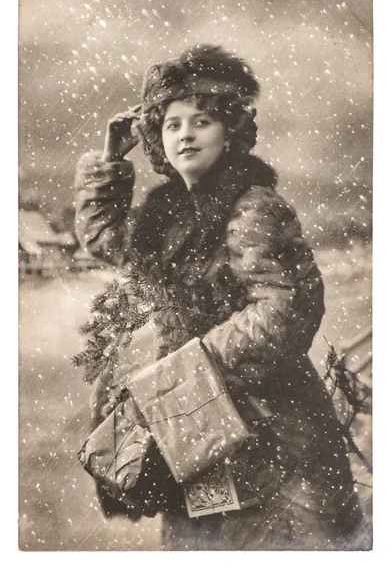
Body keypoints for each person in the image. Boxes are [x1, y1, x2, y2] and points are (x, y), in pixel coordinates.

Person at [74, 44, 368, 551]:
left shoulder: (252, 206)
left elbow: (284, 311)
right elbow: (105, 241)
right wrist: (108, 159)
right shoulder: (165, 216)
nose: (185, 133)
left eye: (201, 120)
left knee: (285, 547)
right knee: (203, 545)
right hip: (198, 427)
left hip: (272, 427)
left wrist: (191, 367)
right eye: (170, 124)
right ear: (156, 141)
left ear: (230, 131)